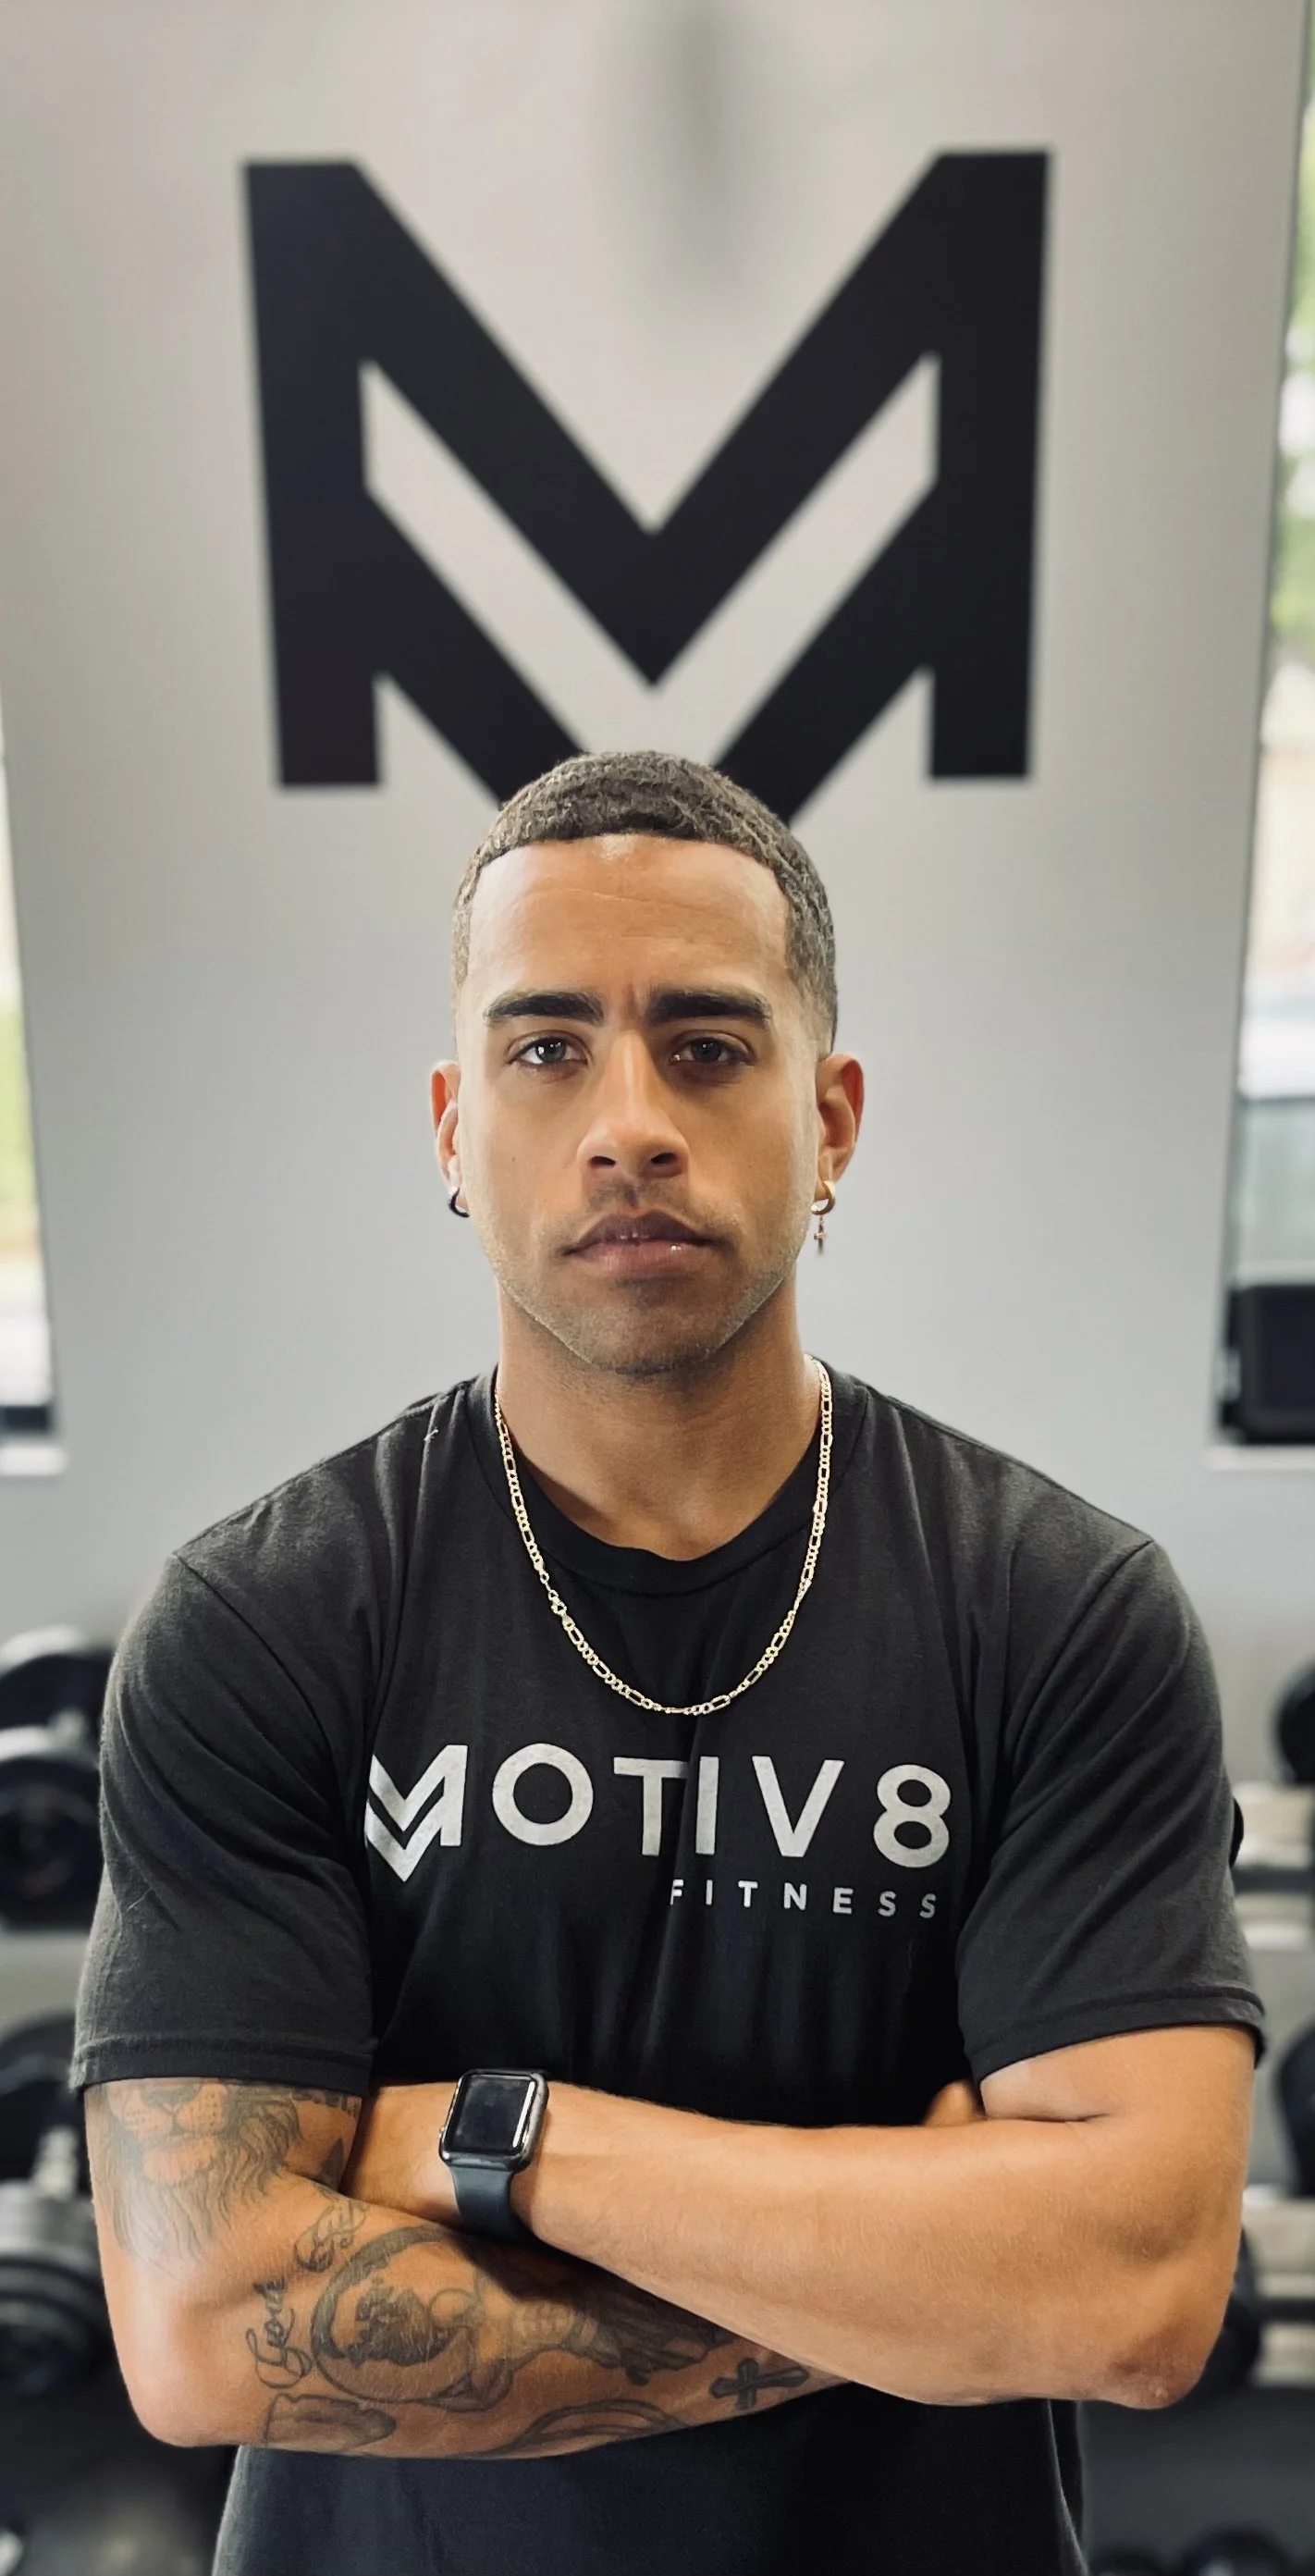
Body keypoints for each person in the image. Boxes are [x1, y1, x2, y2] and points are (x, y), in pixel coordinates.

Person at [74, 749, 1261, 2576]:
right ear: (454, 1128)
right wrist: (928, 2281)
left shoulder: (1059, 1607)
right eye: (548, 1049)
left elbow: (1136, 2291)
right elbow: (210, 2324)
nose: (628, 1117)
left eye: (707, 1044)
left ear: (835, 1116)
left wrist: (501, 2142)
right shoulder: (269, 1615)